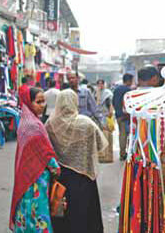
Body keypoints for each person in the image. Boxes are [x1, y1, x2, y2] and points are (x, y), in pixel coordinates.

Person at [45, 89, 108, 233]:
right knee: (84, 213)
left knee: (63, 211)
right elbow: (100, 145)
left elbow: (47, 148)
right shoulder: (86, 123)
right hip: (84, 175)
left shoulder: (51, 123)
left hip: (61, 176)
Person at [9, 87, 60, 232]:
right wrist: (56, 169)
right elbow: (45, 153)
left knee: (27, 212)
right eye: (38, 102)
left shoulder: (26, 121)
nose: (42, 105)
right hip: (37, 178)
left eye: (43, 101)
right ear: (29, 102)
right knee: (38, 213)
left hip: (28, 175)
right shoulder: (33, 125)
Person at [112, 73, 134, 160]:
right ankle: (123, 154)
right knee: (125, 135)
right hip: (125, 116)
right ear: (128, 81)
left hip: (118, 115)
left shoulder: (116, 89)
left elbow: (113, 102)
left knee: (122, 134)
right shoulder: (128, 90)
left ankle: (123, 152)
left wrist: (117, 111)